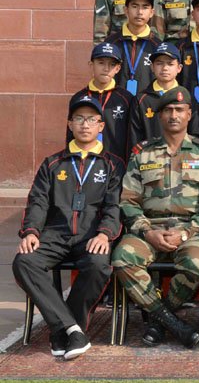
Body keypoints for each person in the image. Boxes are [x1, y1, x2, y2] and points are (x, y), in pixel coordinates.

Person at [14, 96, 124, 360]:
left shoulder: (113, 165)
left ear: (101, 126)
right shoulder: (53, 163)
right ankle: (71, 328)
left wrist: (104, 233)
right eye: (79, 118)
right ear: (70, 124)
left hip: (91, 236)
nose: (85, 124)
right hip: (56, 234)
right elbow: (38, 201)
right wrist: (31, 231)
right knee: (24, 262)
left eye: (91, 119)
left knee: (98, 265)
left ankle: (65, 329)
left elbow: (115, 206)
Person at [112, 87, 199, 349]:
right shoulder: (142, 152)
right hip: (149, 230)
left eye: (179, 110)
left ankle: (158, 321)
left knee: (195, 263)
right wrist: (147, 231)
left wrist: (186, 233)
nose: (174, 115)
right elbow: (128, 200)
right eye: (168, 110)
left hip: (190, 232)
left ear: (189, 115)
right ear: (159, 116)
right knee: (122, 257)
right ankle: (171, 322)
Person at [67, 42, 136, 163]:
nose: (106, 68)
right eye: (101, 63)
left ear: (118, 68)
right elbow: (70, 135)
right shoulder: (78, 98)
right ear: (91, 65)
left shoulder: (126, 98)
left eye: (112, 64)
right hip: (85, 164)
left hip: (117, 164)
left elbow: (131, 136)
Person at [105, 0, 162, 96]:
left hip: (146, 106)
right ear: (126, 10)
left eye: (145, 7)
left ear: (151, 13)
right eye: (134, 6)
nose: (139, 12)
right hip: (116, 104)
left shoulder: (157, 45)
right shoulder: (111, 43)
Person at [129, 42, 183, 146]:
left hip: (181, 158)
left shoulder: (186, 97)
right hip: (149, 159)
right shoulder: (141, 100)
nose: (164, 68)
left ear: (179, 68)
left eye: (170, 64)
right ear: (152, 67)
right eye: (159, 63)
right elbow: (134, 138)